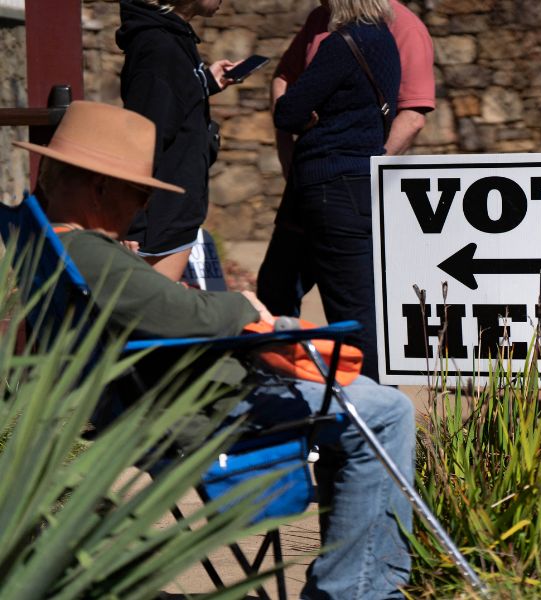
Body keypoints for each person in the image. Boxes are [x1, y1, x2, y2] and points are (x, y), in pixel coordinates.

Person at [14, 100, 414, 599]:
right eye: (142, 194)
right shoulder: (91, 255)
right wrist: (244, 307)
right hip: (205, 410)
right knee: (388, 411)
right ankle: (356, 590)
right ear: (101, 187)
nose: (143, 209)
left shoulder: (47, 245)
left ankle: (347, 580)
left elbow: (161, 309)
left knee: (354, 417)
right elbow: (187, 317)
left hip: (148, 408)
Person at [257, 0, 434, 369]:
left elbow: (288, 111)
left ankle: (375, 412)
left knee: (353, 312)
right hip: (328, 185)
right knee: (280, 287)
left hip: (335, 183)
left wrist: (347, 151)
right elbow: (286, 79)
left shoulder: (347, 41)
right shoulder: (381, 35)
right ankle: (287, 381)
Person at [116, 0, 235, 282]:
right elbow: (143, 136)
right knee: (149, 320)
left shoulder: (173, 38)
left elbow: (172, 101)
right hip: (161, 219)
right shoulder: (159, 48)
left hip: (174, 210)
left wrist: (204, 82)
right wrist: (133, 223)